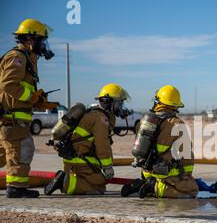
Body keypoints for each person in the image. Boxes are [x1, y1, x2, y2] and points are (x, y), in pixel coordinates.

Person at [0, 19, 54, 198]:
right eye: (41, 40)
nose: (44, 45)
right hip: (12, 118)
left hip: (14, 118)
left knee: (5, 153)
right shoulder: (18, 57)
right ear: (30, 38)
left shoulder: (26, 58)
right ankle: (16, 187)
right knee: (22, 149)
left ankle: (17, 186)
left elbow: (20, 87)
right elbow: (9, 85)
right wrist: (31, 97)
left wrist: (38, 100)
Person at [44, 83, 131, 195]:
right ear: (110, 102)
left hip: (73, 159)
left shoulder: (93, 113)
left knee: (97, 182)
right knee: (98, 187)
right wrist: (107, 166)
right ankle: (64, 182)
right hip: (81, 161)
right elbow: (102, 145)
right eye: (119, 103)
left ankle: (66, 179)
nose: (121, 107)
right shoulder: (101, 118)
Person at [121, 85, 198, 198]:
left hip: (146, 173)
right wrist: (186, 177)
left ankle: (142, 184)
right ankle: (154, 188)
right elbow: (187, 156)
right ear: (175, 105)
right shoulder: (177, 124)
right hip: (165, 175)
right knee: (192, 190)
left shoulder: (145, 122)